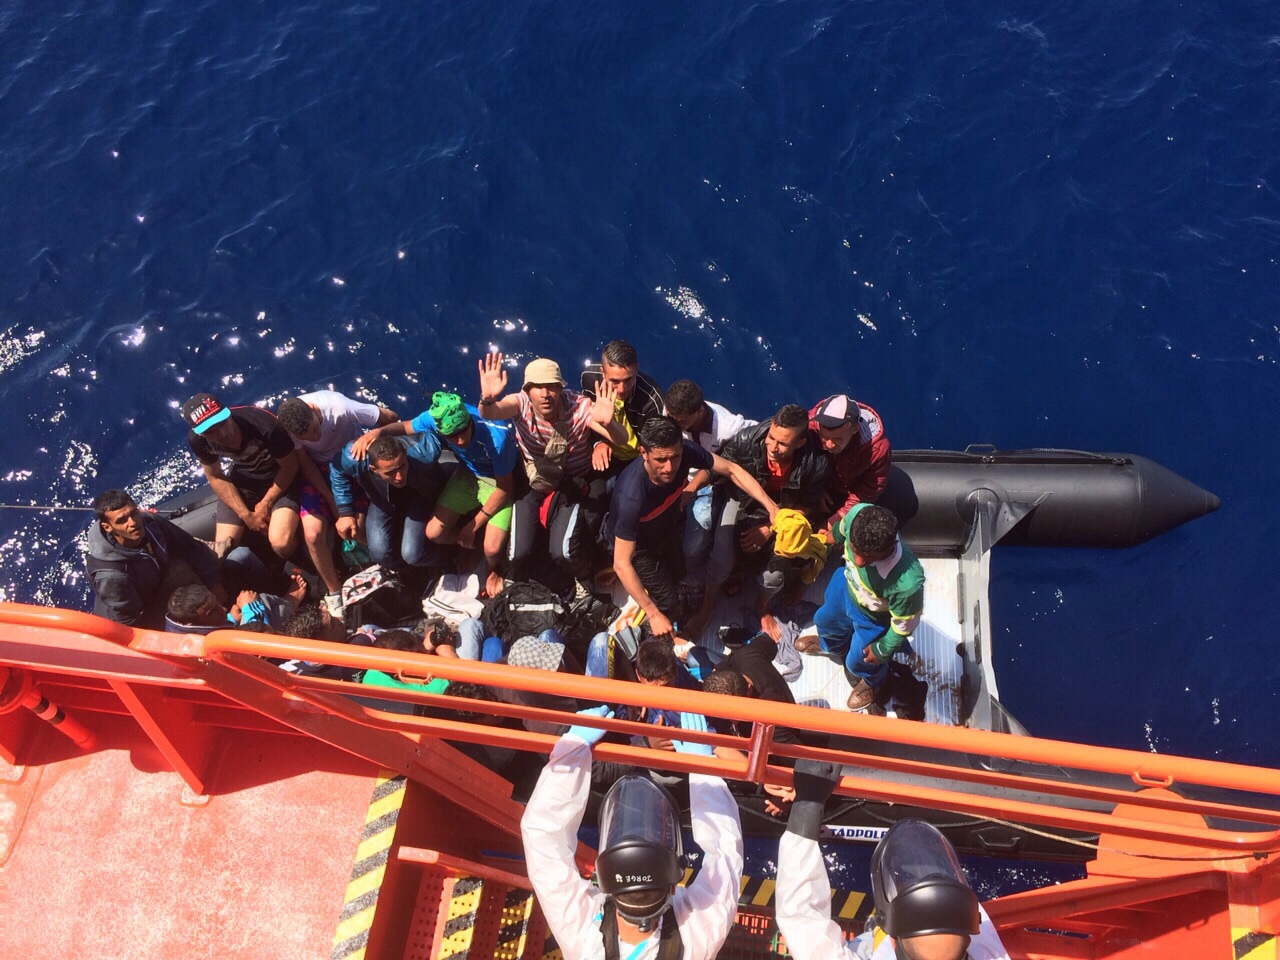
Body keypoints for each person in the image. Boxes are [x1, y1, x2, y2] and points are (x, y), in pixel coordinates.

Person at [521, 707, 743, 960]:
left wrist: (704, 771)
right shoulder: (581, 940)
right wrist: (572, 749)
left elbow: (727, 853)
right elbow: (542, 839)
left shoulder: (699, 941)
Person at [775, 760, 1009, 960]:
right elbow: (801, 919)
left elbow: (801, 918)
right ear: (969, 941)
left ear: (894, 943)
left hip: (875, 948)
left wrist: (808, 804)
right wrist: (807, 805)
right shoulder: (988, 951)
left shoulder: (985, 945)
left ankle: (872, 935)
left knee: (867, 946)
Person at [605, 416, 778, 640]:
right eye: (660, 460)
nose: (669, 467)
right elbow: (621, 563)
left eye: (675, 457)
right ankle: (666, 627)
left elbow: (731, 470)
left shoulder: (685, 450)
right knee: (668, 602)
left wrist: (770, 505)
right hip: (638, 546)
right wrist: (652, 612)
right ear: (643, 453)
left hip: (665, 527)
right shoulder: (632, 497)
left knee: (680, 572)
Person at [475, 351, 626, 584]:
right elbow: (492, 412)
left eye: (552, 387)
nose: (545, 394)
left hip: (572, 482)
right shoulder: (520, 404)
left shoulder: (579, 407)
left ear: (561, 389)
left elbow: (621, 439)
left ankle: (585, 575)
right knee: (518, 553)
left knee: (563, 551)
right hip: (535, 479)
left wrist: (609, 424)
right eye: (537, 387)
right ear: (527, 391)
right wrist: (487, 399)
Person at [351, 391, 517, 598]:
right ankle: (472, 547)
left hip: (497, 482)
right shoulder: (435, 419)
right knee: (434, 533)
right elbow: (404, 426)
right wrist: (376, 433)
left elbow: (506, 488)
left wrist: (472, 525)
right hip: (468, 476)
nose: (459, 440)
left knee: (492, 549)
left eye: (463, 431)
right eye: (451, 436)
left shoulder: (496, 439)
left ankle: (494, 568)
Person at [276, 392, 399, 616]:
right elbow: (304, 462)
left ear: (313, 409)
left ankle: (388, 567)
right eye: (307, 437)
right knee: (312, 535)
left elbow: (390, 417)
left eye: (315, 430)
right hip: (318, 472)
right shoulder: (288, 428)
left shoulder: (341, 408)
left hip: (349, 462)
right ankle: (334, 592)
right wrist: (332, 499)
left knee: (360, 530)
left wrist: (370, 436)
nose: (314, 439)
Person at [718, 405, 832, 639]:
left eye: (783, 444)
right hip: (746, 502)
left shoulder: (816, 463)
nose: (772, 447)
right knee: (728, 545)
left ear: (799, 443)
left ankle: (761, 606)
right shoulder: (747, 440)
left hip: (785, 514)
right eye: (771, 437)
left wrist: (772, 527)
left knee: (773, 576)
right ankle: (740, 571)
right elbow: (721, 466)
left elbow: (808, 507)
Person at [803, 504, 925, 711]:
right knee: (823, 621)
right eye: (854, 550)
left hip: (873, 617)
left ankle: (871, 683)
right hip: (845, 587)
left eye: (868, 558)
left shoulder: (908, 582)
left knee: (859, 662)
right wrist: (826, 539)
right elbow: (839, 531)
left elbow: (904, 624)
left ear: (889, 547)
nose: (858, 561)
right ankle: (831, 646)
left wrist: (883, 649)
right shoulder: (857, 514)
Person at [663, 379, 758, 637]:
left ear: (699, 412)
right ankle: (692, 583)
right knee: (691, 546)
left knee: (712, 541)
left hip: (725, 484)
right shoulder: (670, 415)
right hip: (691, 481)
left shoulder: (730, 429)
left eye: (680, 421)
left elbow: (759, 435)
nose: (674, 424)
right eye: (671, 417)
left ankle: (709, 595)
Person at [86, 489, 232, 629]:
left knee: (181, 569)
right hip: (144, 609)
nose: (132, 522)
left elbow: (189, 546)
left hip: (161, 581)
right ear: (107, 527)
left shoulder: (150, 522)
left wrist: (215, 583)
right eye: (122, 520)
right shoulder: (112, 575)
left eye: (133, 513)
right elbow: (127, 620)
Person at [182, 392, 302, 561]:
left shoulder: (263, 425)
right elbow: (215, 476)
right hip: (245, 479)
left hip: (278, 476)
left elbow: (290, 466)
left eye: (222, 423)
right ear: (201, 434)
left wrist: (265, 504)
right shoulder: (198, 441)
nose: (221, 434)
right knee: (223, 552)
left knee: (280, 543)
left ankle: (300, 556)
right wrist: (246, 515)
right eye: (211, 431)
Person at [329, 434, 448, 577]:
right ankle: (407, 574)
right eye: (390, 472)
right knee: (379, 554)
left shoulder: (424, 452)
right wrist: (345, 512)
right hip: (382, 500)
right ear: (373, 468)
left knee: (412, 554)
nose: (399, 477)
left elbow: (444, 434)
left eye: (402, 466)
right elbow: (337, 469)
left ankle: (446, 560)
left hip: (420, 498)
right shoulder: (356, 458)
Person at [581, 339, 667, 470]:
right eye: (614, 381)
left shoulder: (652, 400)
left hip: (638, 458)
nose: (622, 389)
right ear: (602, 372)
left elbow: (653, 448)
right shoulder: (590, 379)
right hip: (604, 449)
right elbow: (585, 416)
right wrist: (598, 442)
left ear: (636, 369)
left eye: (628, 379)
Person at [809, 394, 891, 527]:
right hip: (818, 486)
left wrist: (832, 522)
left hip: (848, 496)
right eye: (824, 437)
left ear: (855, 429)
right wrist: (815, 487)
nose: (829, 444)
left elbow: (867, 492)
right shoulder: (810, 426)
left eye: (837, 439)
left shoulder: (877, 450)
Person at [164, 575, 306, 635]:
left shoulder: (180, 628)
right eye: (212, 612)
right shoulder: (204, 646)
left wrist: (230, 619)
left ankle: (289, 603)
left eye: (217, 603)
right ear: (190, 625)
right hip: (260, 663)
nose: (224, 609)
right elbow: (260, 644)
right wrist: (249, 608)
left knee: (260, 600)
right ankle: (291, 603)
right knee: (260, 602)